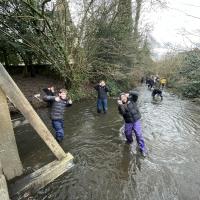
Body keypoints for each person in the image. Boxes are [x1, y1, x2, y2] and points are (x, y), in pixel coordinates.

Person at [117, 91, 147, 157]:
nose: (123, 98)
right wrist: (121, 105)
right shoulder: (120, 106)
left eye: (124, 96)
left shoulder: (132, 99)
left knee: (138, 135)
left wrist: (130, 93)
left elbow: (137, 94)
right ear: (120, 99)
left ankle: (142, 149)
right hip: (128, 122)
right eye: (121, 97)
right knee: (127, 134)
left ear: (126, 96)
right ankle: (130, 142)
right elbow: (123, 113)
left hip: (136, 120)